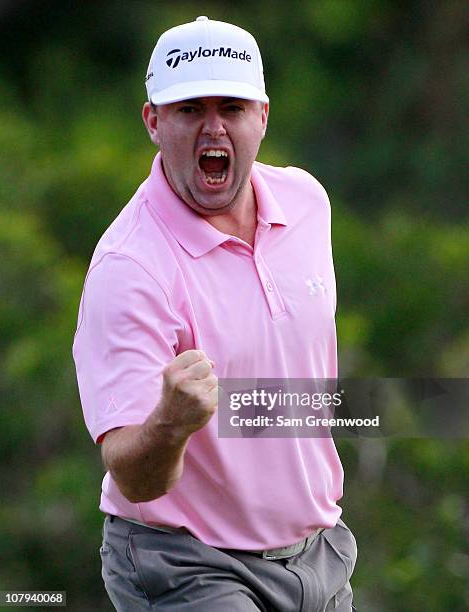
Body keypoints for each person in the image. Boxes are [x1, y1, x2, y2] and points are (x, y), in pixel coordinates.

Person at [73, 16, 358, 611]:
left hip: (318, 551)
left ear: (263, 116)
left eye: (231, 106)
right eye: (188, 110)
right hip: (187, 563)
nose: (213, 127)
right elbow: (135, 477)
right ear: (153, 121)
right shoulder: (130, 267)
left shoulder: (308, 203)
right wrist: (171, 423)